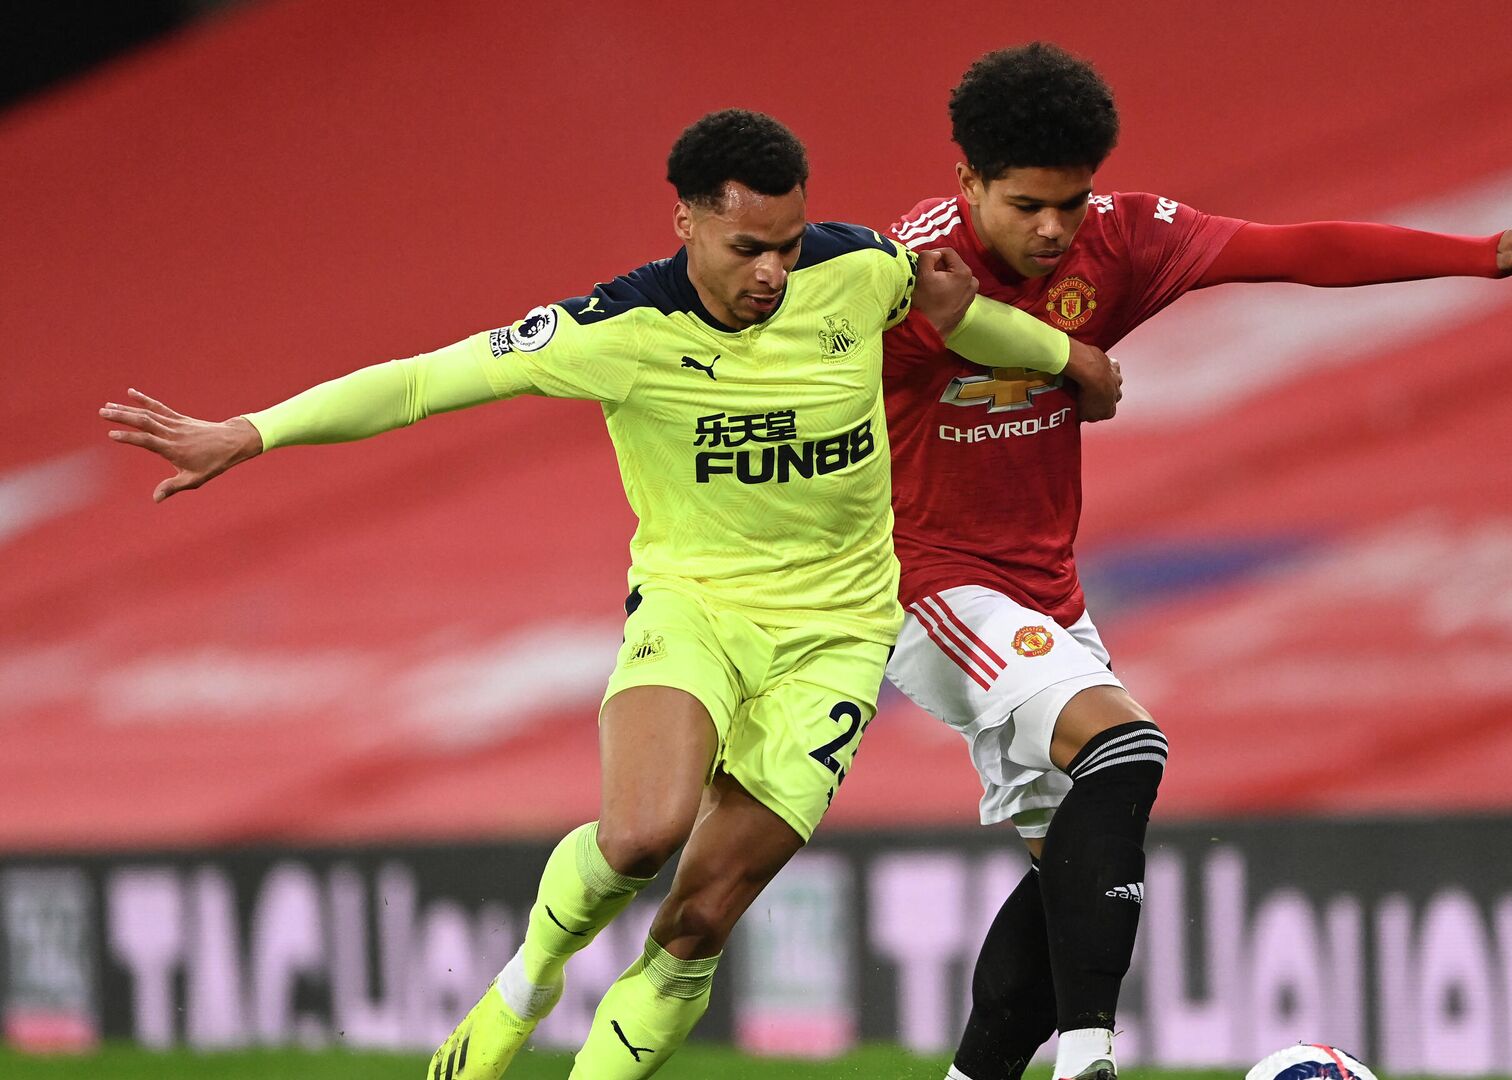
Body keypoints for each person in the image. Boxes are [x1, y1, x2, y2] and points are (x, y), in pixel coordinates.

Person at [99, 108, 1116, 1080]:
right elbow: (419, 382)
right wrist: (252, 432)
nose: (772, 270)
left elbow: (958, 314)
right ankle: (525, 983)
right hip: (695, 611)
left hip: (840, 638)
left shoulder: (858, 270)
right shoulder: (613, 330)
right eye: (746, 246)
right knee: (639, 835)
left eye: (787, 243)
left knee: (698, 919)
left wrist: (1066, 356)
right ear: (686, 222)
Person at [879, 44, 1512, 1080]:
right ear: (968, 183)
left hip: (1044, 589)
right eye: (1026, 204)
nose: (1051, 230)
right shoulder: (905, 269)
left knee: (1064, 872)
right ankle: (1088, 1063)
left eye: (1069, 204)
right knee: (1126, 750)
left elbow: (1291, 249)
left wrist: (1474, 255)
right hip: (927, 582)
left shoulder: (1118, 241)